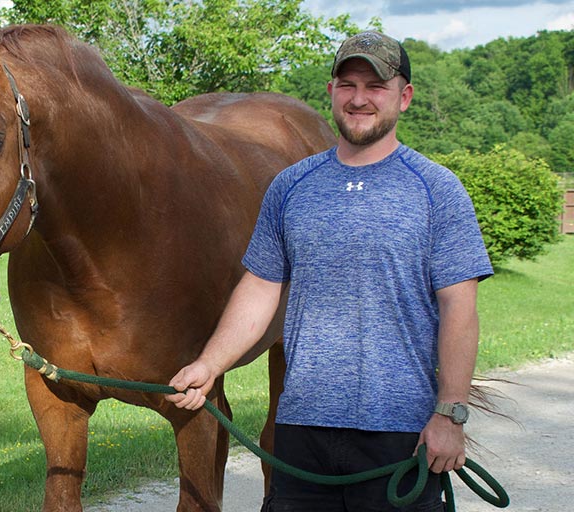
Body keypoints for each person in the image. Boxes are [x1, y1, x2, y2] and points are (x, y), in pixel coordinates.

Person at [166, 31, 493, 511]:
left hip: (400, 434)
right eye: (348, 84)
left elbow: (459, 308)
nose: (359, 98)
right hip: (300, 432)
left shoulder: (437, 191)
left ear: (404, 96)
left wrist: (450, 414)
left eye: (375, 86)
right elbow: (259, 287)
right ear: (331, 91)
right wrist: (209, 365)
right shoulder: (291, 186)